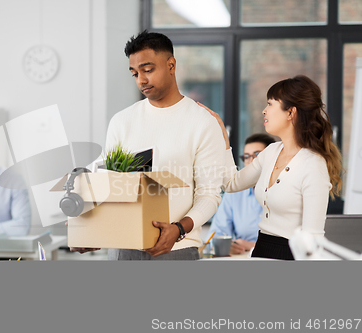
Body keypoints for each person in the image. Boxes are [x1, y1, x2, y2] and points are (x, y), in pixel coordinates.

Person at [72, 30, 226, 260]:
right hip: (123, 248)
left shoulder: (202, 123)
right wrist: (87, 227)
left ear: (171, 65)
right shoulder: (122, 121)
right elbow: (107, 182)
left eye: (148, 70)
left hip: (177, 250)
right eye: (134, 73)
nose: (141, 80)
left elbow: (209, 194)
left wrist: (179, 229)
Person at [200, 75, 343, 260]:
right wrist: (222, 137)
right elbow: (231, 184)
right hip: (261, 250)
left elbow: (312, 241)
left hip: (291, 255)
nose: (263, 111)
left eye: (270, 104)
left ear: (290, 112)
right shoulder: (270, 152)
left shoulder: (313, 166)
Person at [208, 133, 276, 255]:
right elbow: (216, 234)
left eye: (257, 155)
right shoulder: (235, 193)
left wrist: (254, 246)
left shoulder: (284, 191)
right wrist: (228, 246)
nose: (251, 162)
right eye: (246, 156)